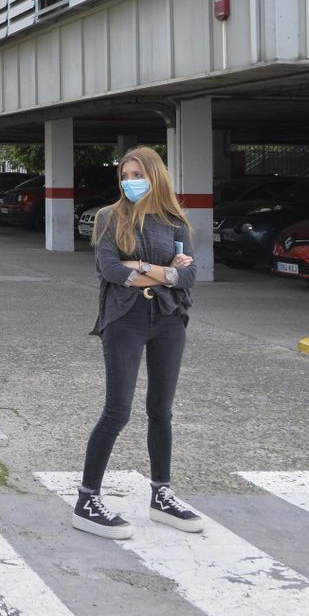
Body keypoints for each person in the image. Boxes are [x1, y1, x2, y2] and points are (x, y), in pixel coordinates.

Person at [73, 146, 204, 539]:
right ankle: (87, 499)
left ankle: (161, 494)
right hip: (124, 320)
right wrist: (164, 272)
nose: (131, 181)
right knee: (118, 411)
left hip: (168, 320)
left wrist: (144, 268)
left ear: (155, 176)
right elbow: (110, 269)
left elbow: (191, 276)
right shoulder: (110, 218)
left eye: (137, 175)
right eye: (125, 176)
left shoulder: (174, 221)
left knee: (161, 410)